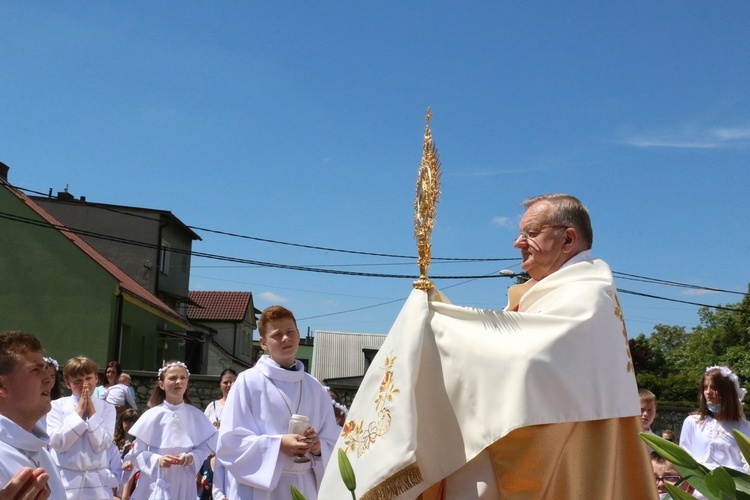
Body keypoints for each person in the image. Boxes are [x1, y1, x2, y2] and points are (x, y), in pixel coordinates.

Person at [318, 194, 656, 499]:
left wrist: (440, 324)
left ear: (568, 238)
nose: (517, 242)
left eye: (531, 233)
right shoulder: (560, 290)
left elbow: (528, 357)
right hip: (525, 441)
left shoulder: (588, 294)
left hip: (557, 454)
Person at [216, 305, 340, 500]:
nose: (286, 339)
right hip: (261, 491)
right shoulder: (248, 382)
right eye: (277, 335)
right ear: (264, 343)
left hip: (304, 486)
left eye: (290, 332)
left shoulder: (315, 387)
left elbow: (334, 441)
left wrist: (318, 448)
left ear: (298, 335)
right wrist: (278, 445)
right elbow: (230, 442)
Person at [126, 361, 216, 500]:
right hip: (156, 480)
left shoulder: (196, 415)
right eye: (173, 378)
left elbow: (205, 448)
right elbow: (136, 453)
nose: (178, 382)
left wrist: (191, 457)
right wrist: (157, 459)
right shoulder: (152, 415)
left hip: (183, 481)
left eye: (182, 378)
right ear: (161, 384)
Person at [0, 330, 65, 499]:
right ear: (2, 386)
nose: (49, 380)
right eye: (36, 370)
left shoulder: (40, 451)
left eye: (45, 368)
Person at [46, 356, 119, 499]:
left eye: (88, 378)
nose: (84, 384)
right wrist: (79, 412)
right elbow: (58, 443)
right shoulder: (56, 406)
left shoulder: (108, 408)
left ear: (96, 379)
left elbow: (102, 444)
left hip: (96, 483)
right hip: (65, 479)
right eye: (77, 381)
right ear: (68, 383)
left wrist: (92, 412)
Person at [679, 365, 750, 472]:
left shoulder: (745, 427)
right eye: (705, 387)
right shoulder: (693, 422)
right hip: (701, 484)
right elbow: (684, 459)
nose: (708, 392)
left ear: (727, 392)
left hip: (732, 486)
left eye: (714, 388)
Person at [199, 368, 238, 500]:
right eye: (225, 382)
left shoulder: (240, 406)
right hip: (210, 456)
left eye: (232, 382)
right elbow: (202, 431)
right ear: (220, 384)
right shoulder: (212, 406)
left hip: (230, 457)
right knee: (206, 490)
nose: (229, 385)